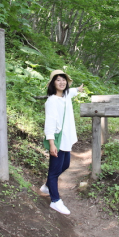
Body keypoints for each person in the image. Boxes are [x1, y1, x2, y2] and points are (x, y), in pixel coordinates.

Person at [39, 70, 84, 215]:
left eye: (63, 80)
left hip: (66, 139)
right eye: (58, 80)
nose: (62, 82)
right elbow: (50, 123)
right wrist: (51, 143)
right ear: (53, 83)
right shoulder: (52, 101)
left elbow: (72, 91)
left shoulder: (66, 95)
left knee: (65, 165)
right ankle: (55, 201)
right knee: (54, 171)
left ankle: (47, 186)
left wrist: (78, 89)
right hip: (58, 140)